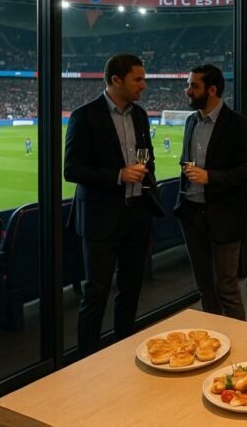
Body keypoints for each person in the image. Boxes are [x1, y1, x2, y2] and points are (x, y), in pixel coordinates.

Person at [64, 53, 164, 357]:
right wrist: (118, 175)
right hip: (100, 218)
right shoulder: (85, 115)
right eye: (138, 79)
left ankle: (123, 350)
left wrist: (148, 191)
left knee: (131, 288)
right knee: (96, 293)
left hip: (136, 214)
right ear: (116, 80)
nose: (144, 85)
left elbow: (148, 160)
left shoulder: (140, 115)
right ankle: (87, 359)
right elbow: (72, 170)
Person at [174, 64, 247, 321]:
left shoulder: (238, 124)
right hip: (192, 215)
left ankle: (239, 344)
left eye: (193, 85)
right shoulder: (191, 121)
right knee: (205, 288)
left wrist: (210, 177)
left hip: (225, 218)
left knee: (227, 288)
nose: (187, 90)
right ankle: (214, 338)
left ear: (212, 90)